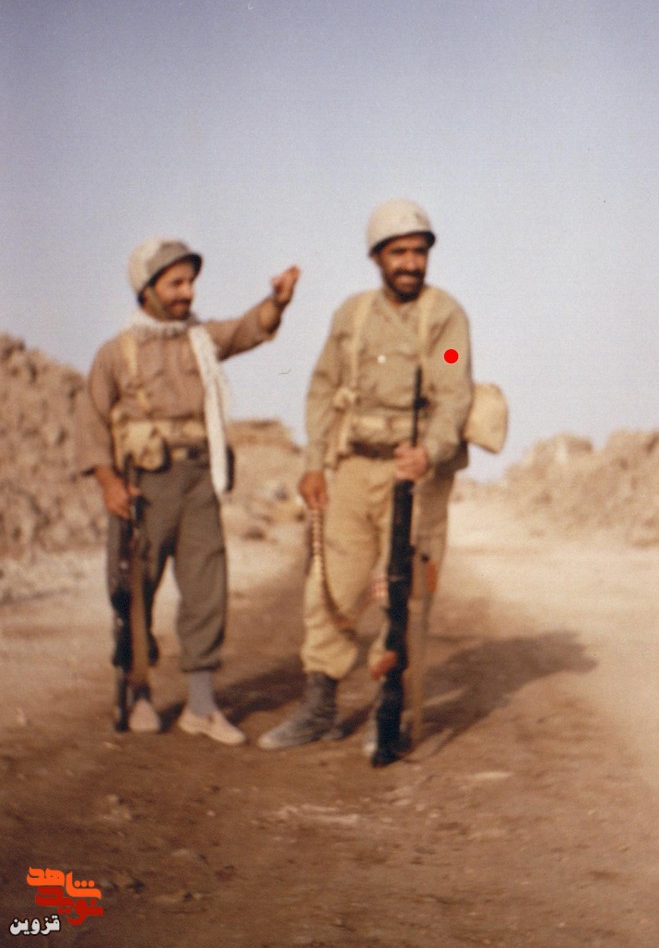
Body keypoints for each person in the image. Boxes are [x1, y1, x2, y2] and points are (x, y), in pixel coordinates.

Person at [258, 199, 472, 752]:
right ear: (377, 256)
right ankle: (319, 706)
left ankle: (389, 705)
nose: (410, 263)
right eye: (398, 252)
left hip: (414, 475)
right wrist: (313, 463)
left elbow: (454, 389)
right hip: (353, 469)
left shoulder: (446, 319)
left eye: (419, 252)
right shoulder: (350, 317)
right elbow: (323, 388)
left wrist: (430, 451)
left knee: (407, 594)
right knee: (332, 586)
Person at [76, 237, 300, 744]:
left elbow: (248, 329)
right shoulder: (115, 353)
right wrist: (109, 483)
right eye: (175, 283)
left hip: (199, 479)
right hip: (143, 486)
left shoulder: (201, 338)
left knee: (206, 588)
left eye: (190, 282)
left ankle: (201, 705)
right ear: (147, 289)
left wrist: (278, 301)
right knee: (135, 590)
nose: (187, 292)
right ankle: (138, 693)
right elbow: (90, 422)